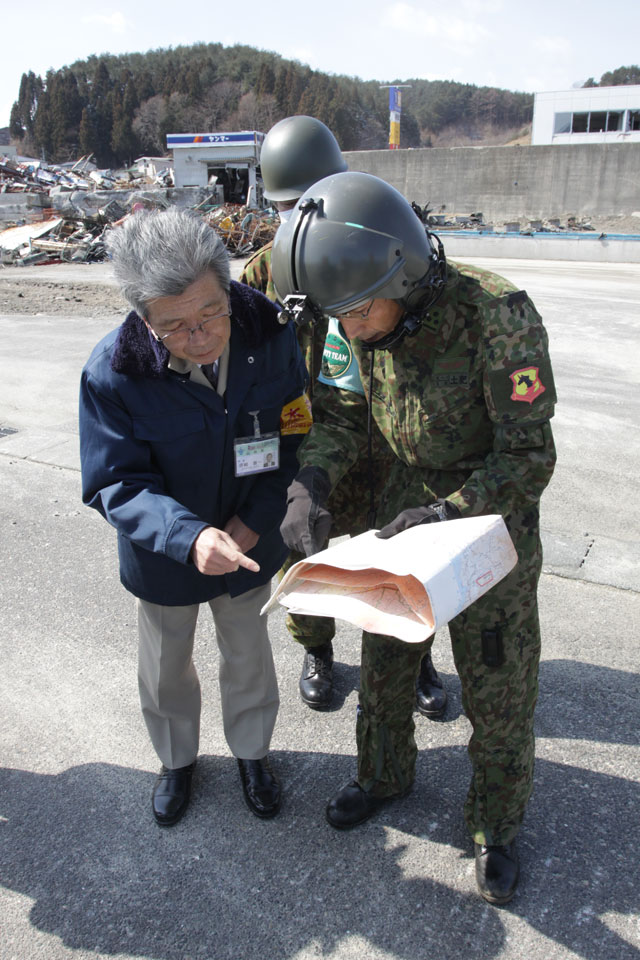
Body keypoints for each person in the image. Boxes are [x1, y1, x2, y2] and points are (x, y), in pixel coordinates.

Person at [271, 171, 557, 904]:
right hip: (403, 507)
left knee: (497, 684)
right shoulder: (356, 308)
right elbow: (341, 414)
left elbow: (529, 457)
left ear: (402, 269)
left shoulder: (498, 317)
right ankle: (383, 777)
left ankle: (495, 825)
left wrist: (445, 513)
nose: (353, 330)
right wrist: (314, 483)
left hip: (489, 522)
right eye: (344, 319)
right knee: (389, 658)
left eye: (361, 315)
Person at [79, 208, 308, 826]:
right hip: (165, 555)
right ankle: (177, 760)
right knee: (164, 662)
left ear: (228, 287)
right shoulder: (114, 372)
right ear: (143, 317)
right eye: (176, 326)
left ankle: (253, 755)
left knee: (248, 651)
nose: (200, 335)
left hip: (249, 537)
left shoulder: (269, 333)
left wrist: (257, 517)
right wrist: (187, 536)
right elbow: (114, 482)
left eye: (211, 313)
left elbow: (291, 433)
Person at [242, 115, 448, 720]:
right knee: (305, 557)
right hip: (308, 444)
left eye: (310, 198)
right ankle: (319, 652)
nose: (298, 214)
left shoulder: (388, 250)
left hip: (386, 446)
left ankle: (416, 658)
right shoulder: (263, 274)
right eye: (286, 205)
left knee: (402, 561)